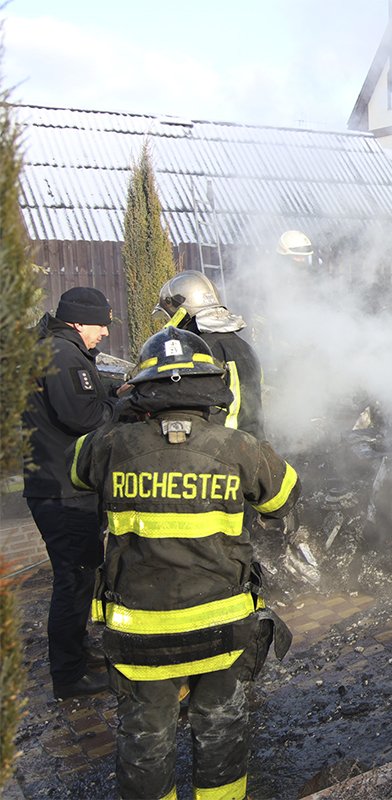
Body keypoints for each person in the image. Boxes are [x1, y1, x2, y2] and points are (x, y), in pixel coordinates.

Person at [68, 326, 300, 800]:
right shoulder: (240, 448)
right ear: (212, 389)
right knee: (220, 734)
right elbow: (284, 497)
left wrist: (121, 410)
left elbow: (75, 469)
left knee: (146, 741)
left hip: (140, 634)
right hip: (221, 628)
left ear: (143, 392)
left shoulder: (111, 446)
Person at [21, 287, 119, 699]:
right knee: (74, 581)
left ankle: (77, 655)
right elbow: (85, 417)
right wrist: (123, 408)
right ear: (79, 321)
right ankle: (69, 676)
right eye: (100, 325)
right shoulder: (64, 355)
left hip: (60, 485)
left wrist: (112, 392)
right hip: (64, 491)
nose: (104, 334)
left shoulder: (59, 349)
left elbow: (84, 402)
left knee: (78, 577)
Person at [155, 270, 264, 438]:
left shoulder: (201, 350)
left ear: (181, 313)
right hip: (251, 448)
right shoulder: (244, 347)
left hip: (219, 449)